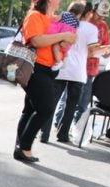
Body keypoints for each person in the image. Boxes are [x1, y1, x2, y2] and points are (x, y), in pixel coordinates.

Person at [14, 0, 77, 162]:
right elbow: (36, 41)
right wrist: (64, 35)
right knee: (46, 108)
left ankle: (21, 147)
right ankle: (25, 147)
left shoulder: (52, 19)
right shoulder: (35, 16)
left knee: (30, 109)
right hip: (35, 68)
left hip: (48, 69)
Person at [41, 1, 98, 144]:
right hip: (78, 71)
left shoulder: (64, 21)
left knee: (52, 102)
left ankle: (44, 133)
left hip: (60, 66)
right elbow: (92, 52)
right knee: (71, 105)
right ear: (88, 13)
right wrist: (105, 51)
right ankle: (63, 135)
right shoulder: (91, 29)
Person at [78, 0, 110, 119]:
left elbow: (107, 48)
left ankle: (76, 128)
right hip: (77, 66)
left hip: (91, 70)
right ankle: (60, 125)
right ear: (92, 11)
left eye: (103, 15)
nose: (101, 17)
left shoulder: (103, 26)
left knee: (83, 103)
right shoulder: (82, 22)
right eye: (99, 14)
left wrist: (107, 50)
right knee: (69, 99)